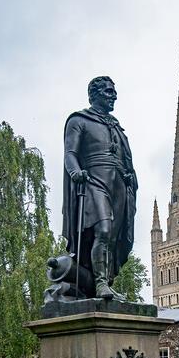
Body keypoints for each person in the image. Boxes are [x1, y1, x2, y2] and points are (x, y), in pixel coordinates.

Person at [61, 76, 138, 300]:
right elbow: (70, 153)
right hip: (94, 180)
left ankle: (106, 283)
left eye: (114, 92)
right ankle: (100, 284)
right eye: (108, 91)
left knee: (114, 238)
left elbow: (125, 158)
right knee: (102, 230)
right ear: (94, 94)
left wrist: (129, 175)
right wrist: (75, 172)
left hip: (119, 186)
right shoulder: (79, 120)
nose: (113, 95)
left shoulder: (116, 126)